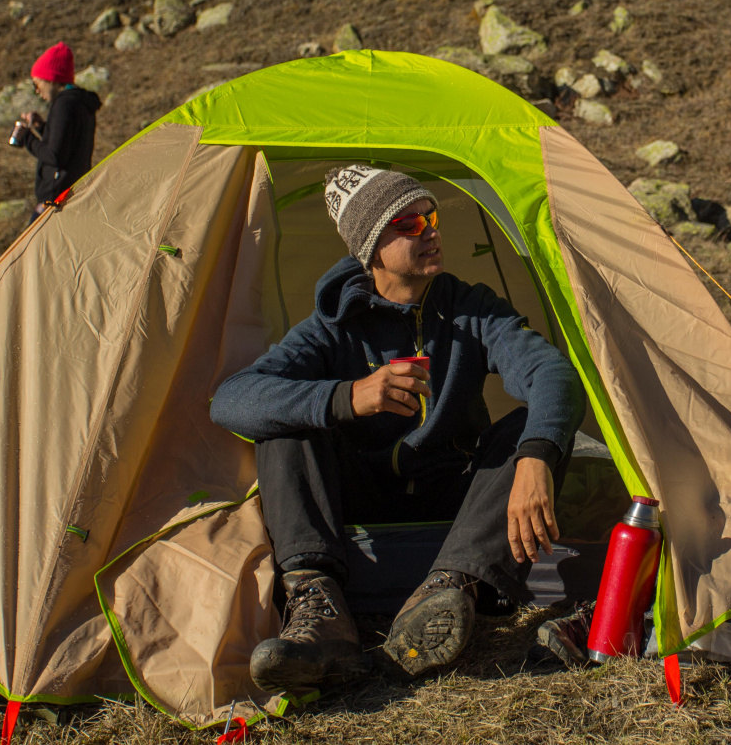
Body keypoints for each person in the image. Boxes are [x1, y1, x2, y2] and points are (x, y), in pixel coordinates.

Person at [210, 165, 584, 693]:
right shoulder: (330, 328)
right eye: (409, 224)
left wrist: (536, 455)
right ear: (372, 247)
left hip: (455, 499)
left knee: (532, 424)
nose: (431, 231)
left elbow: (552, 373)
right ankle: (318, 606)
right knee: (285, 422)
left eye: (430, 217)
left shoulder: (469, 308)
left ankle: (446, 591)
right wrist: (346, 397)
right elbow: (230, 400)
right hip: (359, 499)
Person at [8, 42, 100, 219]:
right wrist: (43, 128)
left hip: (56, 198)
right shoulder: (80, 102)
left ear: (50, 79)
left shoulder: (63, 105)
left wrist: (26, 137)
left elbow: (56, 156)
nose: (37, 90)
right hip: (74, 190)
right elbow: (67, 142)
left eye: (38, 83)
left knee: (33, 246)